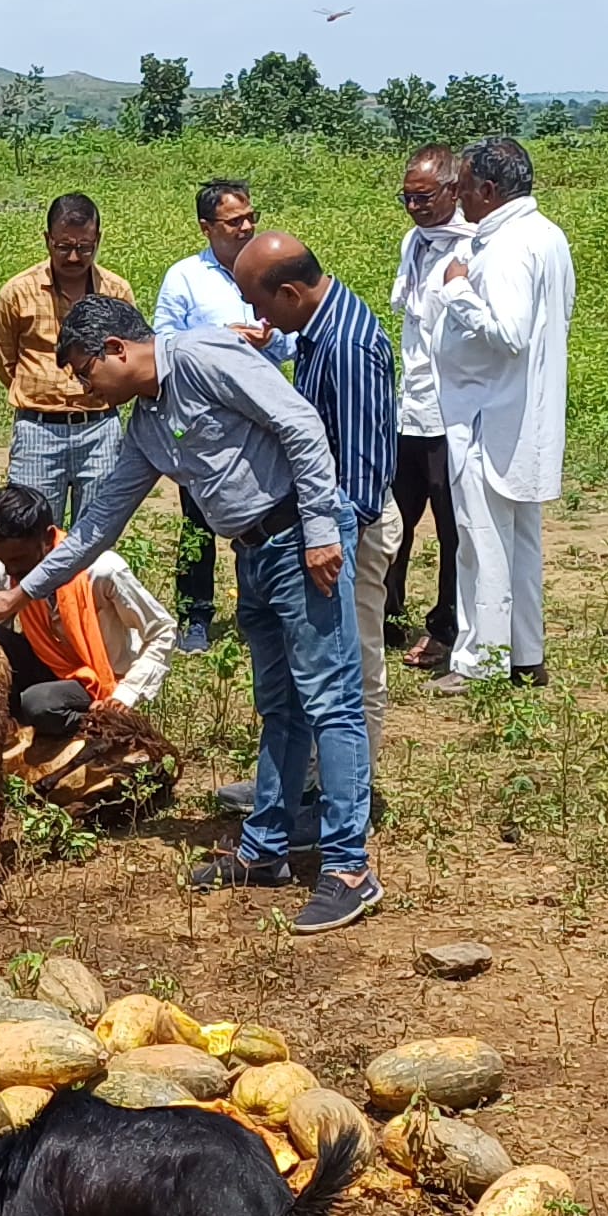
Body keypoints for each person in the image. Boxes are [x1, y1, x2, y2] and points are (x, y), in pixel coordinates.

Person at [0, 295, 379, 935]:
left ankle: (349, 868)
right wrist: (23, 593)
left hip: (300, 542)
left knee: (330, 701)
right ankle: (266, 849)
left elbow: (300, 424)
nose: (85, 388)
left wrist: (319, 530)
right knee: (280, 705)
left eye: (86, 371)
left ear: (116, 349)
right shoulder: (146, 424)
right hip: (253, 553)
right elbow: (96, 525)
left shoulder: (202, 354)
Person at [231, 231, 400, 772]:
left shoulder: (346, 346)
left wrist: (332, 540)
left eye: (259, 304)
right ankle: (310, 782)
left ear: (290, 293)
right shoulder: (320, 326)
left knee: (350, 668)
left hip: (350, 530)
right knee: (317, 666)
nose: (257, 316)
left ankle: (346, 791)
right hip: (330, 524)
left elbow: (361, 469)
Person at [422, 136, 570, 691]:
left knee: (481, 542)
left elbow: (509, 332)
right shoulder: (546, 235)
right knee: (520, 543)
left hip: (490, 416)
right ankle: (524, 655)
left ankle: (479, 662)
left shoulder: (508, 245)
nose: (458, 198)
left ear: (487, 189)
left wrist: (457, 291)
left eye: (463, 187)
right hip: (524, 413)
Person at [148, 178, 290, 655]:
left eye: (250, 218)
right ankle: (195, 617)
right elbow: (162, 342)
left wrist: (273, 340)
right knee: (198, 518)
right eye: (234, 222)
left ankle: (259, 609)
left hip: (261, 417)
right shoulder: (185, 277)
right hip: (207, 424)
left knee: (262, 514)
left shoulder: (270, 268)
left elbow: (294, 335)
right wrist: (221, 338)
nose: (246, 228)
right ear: (206, 227)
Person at [0, 482, 174, 741]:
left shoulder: (101, 570)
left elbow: (162, 630)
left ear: (48, 538)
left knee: (39, 705)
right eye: (3, 560)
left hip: (99, 676)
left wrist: (126, 694)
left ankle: (108, 722)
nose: (10, 571)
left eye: (19, 560)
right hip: (45, 662)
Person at [0, 193, 137, 523]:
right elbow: (6, 361)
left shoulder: (116, 292)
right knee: (31, 530)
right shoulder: (17, 292)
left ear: (98, 240)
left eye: (84, 247)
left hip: (100, 431)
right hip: (37, 431)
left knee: (97, 532)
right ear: (47, 239)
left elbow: (132, 358)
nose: (73, 257)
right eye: (63, 247)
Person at [386, 147, 467, 669]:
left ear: (453, 191)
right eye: (407, 198)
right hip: (409, 406)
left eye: (424, 197)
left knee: (451, 528)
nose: (414, 207)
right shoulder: (413, 242)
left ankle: (446, 627)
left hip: (450, 410)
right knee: (394, 518)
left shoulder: (471, 247)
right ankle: (387, 615)